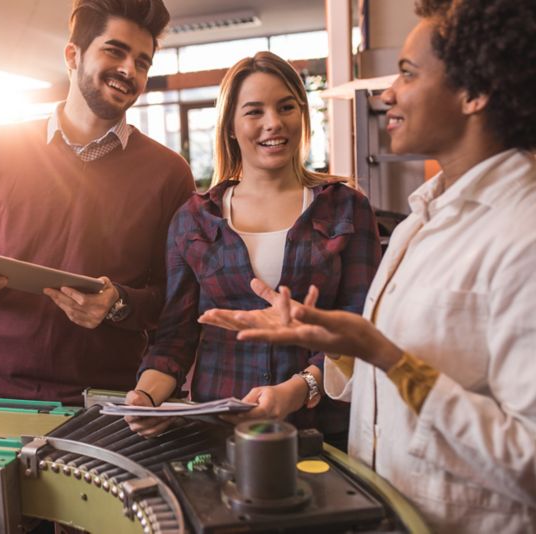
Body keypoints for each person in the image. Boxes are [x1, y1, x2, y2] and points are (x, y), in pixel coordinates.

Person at [199, 0, 536, 531]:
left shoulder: (523, 233)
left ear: (474, 94)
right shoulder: (421, 221)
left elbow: (528, 461)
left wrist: (382, 353)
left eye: (406, 74)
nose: (386, 94)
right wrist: (341, 341)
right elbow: (387, 383)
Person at [125, 51, 381, 447]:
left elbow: (360, 326)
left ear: (303, 114)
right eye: (254, 111)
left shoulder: (346, 208)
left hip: (324, 432)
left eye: (285, 107)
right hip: (221, 431)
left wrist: (299, 388)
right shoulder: (194, 219)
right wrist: (146, 397)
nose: (273, 124)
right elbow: (175, 337)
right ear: (230, 125)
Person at [0, 0, 195, 404]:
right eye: (114, 51)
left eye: (142, 62)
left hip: (106, 396)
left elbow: (173, 298)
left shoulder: (168, 173)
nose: (128, 71)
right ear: (72, 55)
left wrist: (118, 303)